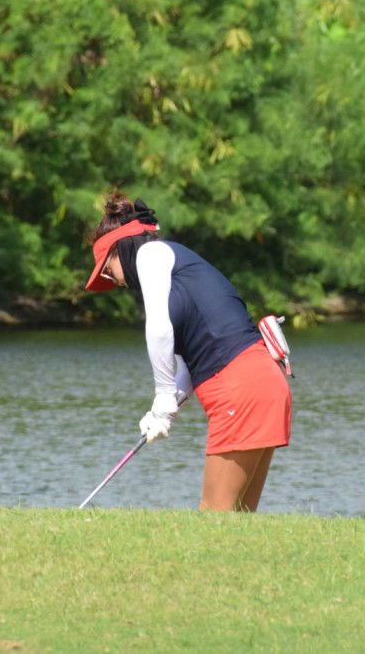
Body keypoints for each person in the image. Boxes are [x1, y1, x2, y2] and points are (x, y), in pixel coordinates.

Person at [84, 192, 292, 511]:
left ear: (119, 248)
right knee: (240, 517)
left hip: (241, 389)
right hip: (264, 383)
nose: (112, 280)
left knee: (213, 515)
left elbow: (158, 328)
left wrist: (163, 393)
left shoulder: (151, 255)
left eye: (107, 269)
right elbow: (188, 367)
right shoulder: (175, 268)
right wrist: (164, 409)